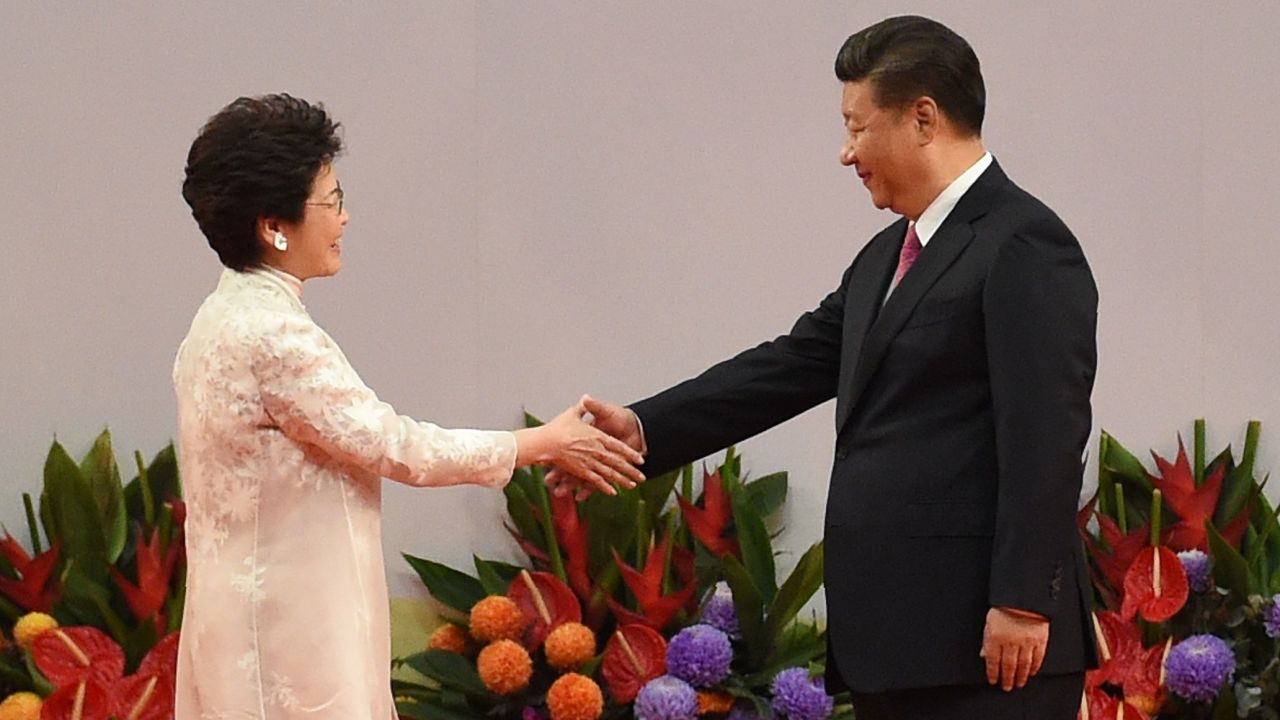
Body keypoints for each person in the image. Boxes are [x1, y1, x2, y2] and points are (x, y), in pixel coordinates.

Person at [553, 16, 1098, 720]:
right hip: (899, 644)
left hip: (990, 648)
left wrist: (1022, 600)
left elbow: (1047, 436)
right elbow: (789, 366)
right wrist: (644, 428)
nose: (846, 153)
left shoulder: (1023, 242)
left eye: (857, 127)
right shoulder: (885, 257)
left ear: (923, 118)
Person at [172, 94, 645, 719]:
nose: (345, 218)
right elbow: (396, 445)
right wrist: (538, 444)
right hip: (290, 634)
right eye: (332, 201)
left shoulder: (217, 318)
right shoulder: (275, 337)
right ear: (273, 225)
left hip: (239, 624)